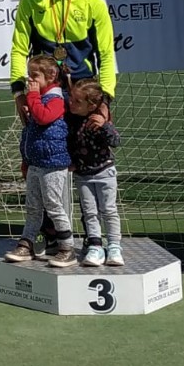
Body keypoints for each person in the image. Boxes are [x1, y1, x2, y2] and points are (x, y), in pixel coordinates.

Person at [6, 0, 117, 264]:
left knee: (87, 165)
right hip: (47, 95)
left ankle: (97, 240)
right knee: (41, 162)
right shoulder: (31, 2)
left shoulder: (92, 5)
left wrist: (104, 102)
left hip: (83, 97)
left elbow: (106, 56)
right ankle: (49, 235)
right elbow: (18, 49)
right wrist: (20, 92)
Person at [7, 55, 74, 265]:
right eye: (28, 75)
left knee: (53, 205)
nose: (30, 80)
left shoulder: (56, 99)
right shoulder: (38, 98)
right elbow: (30, 132)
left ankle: (67, 248)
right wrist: (26, 160)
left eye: (34, 75)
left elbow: (44, 117)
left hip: (52, 165)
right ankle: (26, 243)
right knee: (33, 207)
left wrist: (33, 96)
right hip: (35, 164)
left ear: (51, 75)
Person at [68, 78, 125, 266]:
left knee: (108, 210)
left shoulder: (98, 120)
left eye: (77, 101)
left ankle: (114, 246)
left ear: (91, 105)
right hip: (83, 175)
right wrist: (72, 162)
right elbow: (71, 144)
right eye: (71, 99)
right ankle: (95, 246)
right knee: (89, 212)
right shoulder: (72, 121)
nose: (71, 103)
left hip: (104, 172)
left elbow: (115, 141)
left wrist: (105, 125)